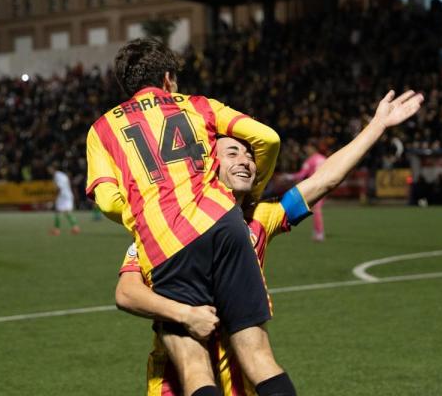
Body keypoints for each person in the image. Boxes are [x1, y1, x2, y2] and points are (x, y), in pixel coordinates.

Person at [117, 90, 424, 395]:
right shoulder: (164, 231)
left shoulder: (260, 218)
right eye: (233, 153)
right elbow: (128, 292)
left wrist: (377, 126)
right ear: (208, 166)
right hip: (175, 384)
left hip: (242, 383)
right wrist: (183, 314)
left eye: (250, 155)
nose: (246, 161)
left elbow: (323, 180)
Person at [86, 38, 289, 396]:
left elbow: (106, 200)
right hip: (224, 221)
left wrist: (144, 217)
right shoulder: (198, 105)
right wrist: (253, 192)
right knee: (258, 355)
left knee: (195, 365)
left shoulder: (102, 129)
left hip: (167, 243)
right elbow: (267, 138)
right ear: (167, 78)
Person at [287, 142, 329, 242]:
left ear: (313, 149)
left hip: (316, 186)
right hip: (326, 185)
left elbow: (302, 174)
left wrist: (289, 177)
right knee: (315, 209)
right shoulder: (324, 158)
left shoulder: (310, 160)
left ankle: (319, 233)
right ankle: (317, 231)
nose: (306, 150)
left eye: (308, 148)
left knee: (316, 210)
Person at [49, 163, 80, 235]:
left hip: (63, 196)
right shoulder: (62, 175)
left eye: (49, 169)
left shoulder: (57, 175)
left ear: (53, 169)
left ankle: (57, 230)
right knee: (65, 212)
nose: (49, 170)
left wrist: (55, 197)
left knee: (60, 212)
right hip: (67, 195)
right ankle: (75, 227)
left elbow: (59, 188)